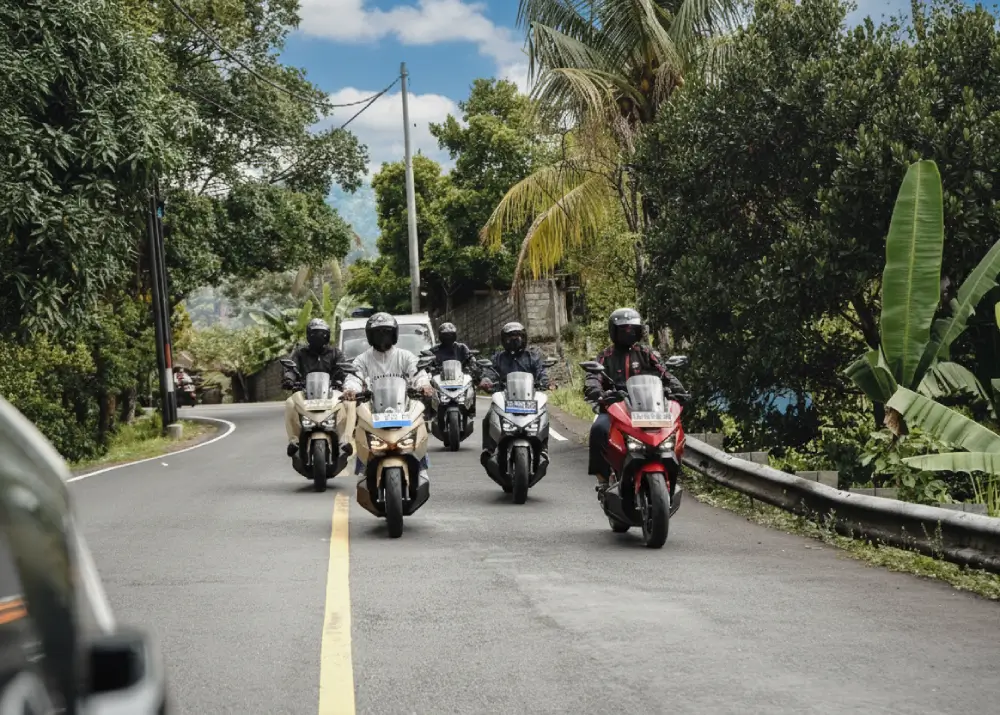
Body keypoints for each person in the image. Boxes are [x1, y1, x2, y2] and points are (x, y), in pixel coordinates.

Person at [584, 308, 689, 491]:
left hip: (647, 407)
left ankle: (672, 470)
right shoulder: (605, 356)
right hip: (614, 406)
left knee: (673, 428)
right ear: (613, 331)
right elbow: (593, 377)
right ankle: (602, 478)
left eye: (632, 329)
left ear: (639, 331)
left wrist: (679, 391)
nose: (628, 333)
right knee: (598, 429)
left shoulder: (647, 353)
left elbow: (665, 373)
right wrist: (596, 392)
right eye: (623, 329)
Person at [342, 312, 435, 476]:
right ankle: (364, 469)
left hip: (403, 408)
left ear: (394, 334)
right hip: (373, 409)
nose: (382, 337)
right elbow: (354, 377)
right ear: (370, 336)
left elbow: (417, 373)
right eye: (378, 333)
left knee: (420, 425)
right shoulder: (362, 359)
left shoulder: (405, 356)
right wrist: (351, 390)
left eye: (386, 332)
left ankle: (421, 468)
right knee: (362, 431)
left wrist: (424, 385)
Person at [479, 321, 550, 464]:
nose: (514, 340)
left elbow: (541, 371)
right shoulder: (498, 358)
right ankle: (489, 448)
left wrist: (546, 381)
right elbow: (490, 372)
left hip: (529, 398)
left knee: (544, 416)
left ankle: (543, 447)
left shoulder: (532, 357)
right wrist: (486, 381)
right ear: (503, 340)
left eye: (518, 336)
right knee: (488, 417)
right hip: (505, 398)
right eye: (510, 337)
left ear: (524, 338)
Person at [281, 318, 351, 459]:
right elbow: (290, 369)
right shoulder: (300, 353)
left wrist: (342, 380)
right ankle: (294, 440)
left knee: (349, 404)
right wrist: (289, 379)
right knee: (289, 403)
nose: (319, 337)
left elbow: (344, 369)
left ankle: (345, 439)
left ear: (327, 335)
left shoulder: (335, 353)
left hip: (331, 391)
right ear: (308, 336)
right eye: (315, 334)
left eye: (322, 334)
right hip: (304, 391)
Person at [429, 322, 481, 415]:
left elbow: (470, 357)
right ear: (441, 336)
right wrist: (428, 366)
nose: (448, 338)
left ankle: (471, 409)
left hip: (460, 376)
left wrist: (473, 365)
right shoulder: (435, 350)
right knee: (428, 387)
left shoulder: (461, 347)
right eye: (445, 336)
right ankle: (431, 412)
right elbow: (428, 360)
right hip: (441, 377)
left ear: (454, 336)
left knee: (471, 385)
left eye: (450, 335)